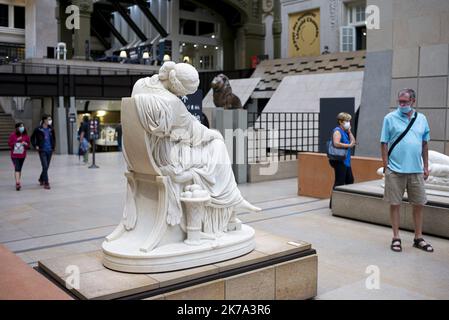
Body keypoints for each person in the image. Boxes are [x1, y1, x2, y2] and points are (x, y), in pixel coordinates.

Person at [380, 88, 433, 253]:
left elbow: (424, 143)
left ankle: (418, 237)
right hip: (395, 170)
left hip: (416, 170)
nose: (402, 104)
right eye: (400, 101)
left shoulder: (422, 119)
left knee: (419, 204)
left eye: (405, 102)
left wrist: (425, 166)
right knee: (395, 204)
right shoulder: (390, 118)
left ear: (413, 102)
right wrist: (386, 165)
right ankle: (396, 237)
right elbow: (384, 142)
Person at [329, 112, 356, 190]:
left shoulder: (345, 132)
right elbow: (336, 143)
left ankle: (344, 200)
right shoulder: (337, 131)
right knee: (339, 182)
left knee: (350, 180)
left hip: (346, 160)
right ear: (340, 122)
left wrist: (349, 132)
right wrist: (348, 145)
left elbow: (353, 142)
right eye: (346, 121)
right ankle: (334, 202)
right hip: (339, 160)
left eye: (349, 121)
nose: (348, 123)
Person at [31, 114, 56, 190]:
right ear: (44, 120)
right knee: (45, 166)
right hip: (42, 150)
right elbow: (32, 138)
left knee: (46, 166)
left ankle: (41, 178)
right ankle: (46, 182)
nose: (50, 121)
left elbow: (54, 139)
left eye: (50, 119)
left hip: (49, 150)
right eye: (49, 119)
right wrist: (35, 145)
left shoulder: (51, 129)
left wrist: (53, 147)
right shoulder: (38, 129)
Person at [8, 122, 31, 191]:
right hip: (14, 155)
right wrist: (16, 141)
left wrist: (25, 144)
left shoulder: (26, 136)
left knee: (19, 169)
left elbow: (28, 145)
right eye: (20, 127)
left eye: (23, 126)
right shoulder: (13, 135)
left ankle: (17, 181)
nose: (22, 128)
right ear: (17, 128)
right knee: (17, 168)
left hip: (22, 155)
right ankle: (18, 183)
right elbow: (9, 144)